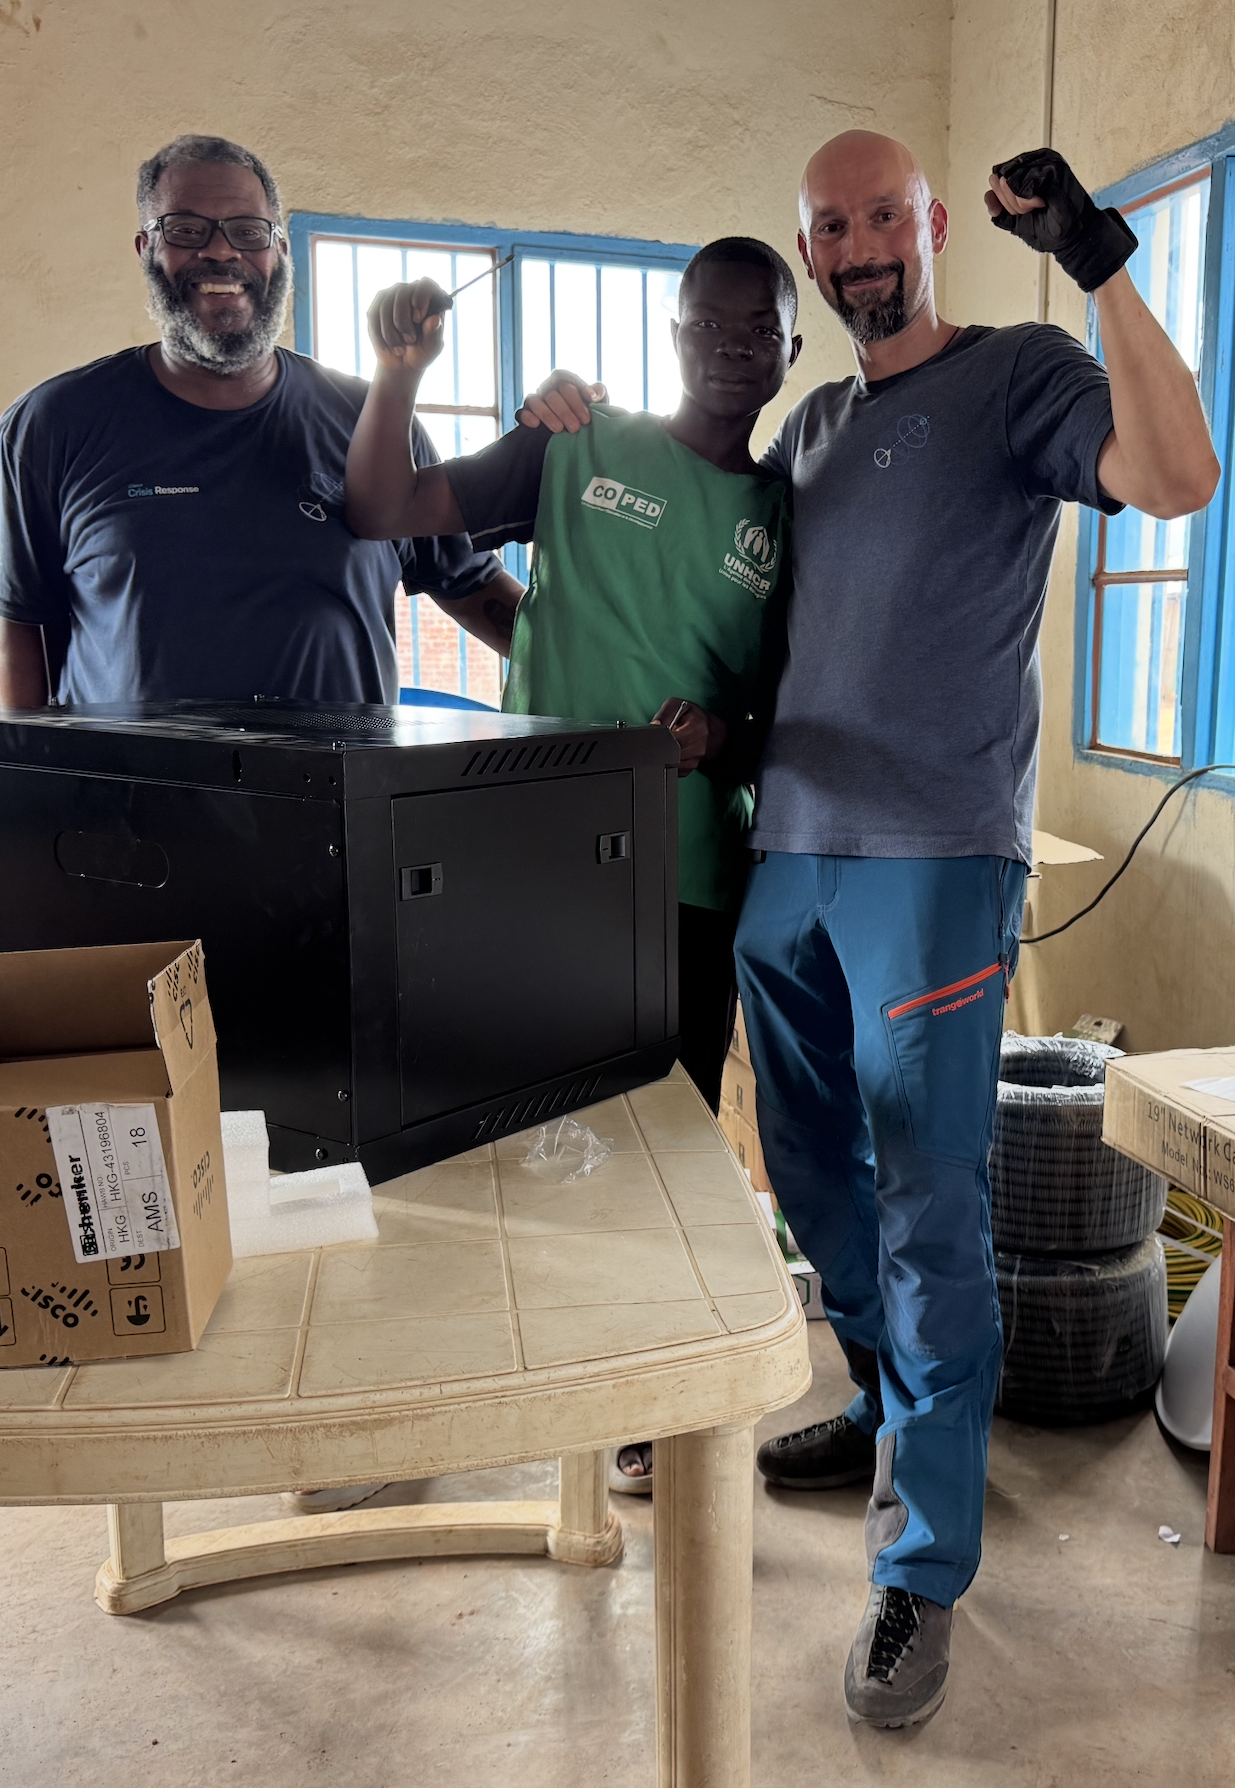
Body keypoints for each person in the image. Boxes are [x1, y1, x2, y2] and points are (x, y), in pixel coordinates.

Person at [517, 134, 1219, 1725]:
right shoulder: (818, 428)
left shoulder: (1022, 373)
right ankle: (879, 1401)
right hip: (790, 861)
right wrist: (566, 420)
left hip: (929, 867)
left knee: (925, 1203)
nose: (853, 250)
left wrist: (1103, 265)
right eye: (825, 228)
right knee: (814, 1173)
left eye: (878, 218)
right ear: (806, 251)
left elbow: (1176, 479)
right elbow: (697, 546)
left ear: (926, 229)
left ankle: (918, 1574)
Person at [342, 238, 801, 1493]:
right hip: (532, 863)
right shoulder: (573, 447)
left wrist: (721, 739)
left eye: (756, 329)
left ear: (787, 352)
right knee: (491, 1136)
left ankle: (645, 1399)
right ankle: (473, 1383)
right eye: (706, 324)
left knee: (668, 1138)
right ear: (671, 333)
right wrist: (397, 375)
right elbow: (383, 511)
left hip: (690, 876)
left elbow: (786, 710)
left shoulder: (785, 517)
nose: (729, 347)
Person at [0, 133, 520, 707]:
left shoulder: (376, 425)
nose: (221, 253)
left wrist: (612, 660)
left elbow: (474, 587)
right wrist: (34, 785)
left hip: (342, 793)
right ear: (146, 248)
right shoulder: (52, 425)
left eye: (248, 232)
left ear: (280, 252)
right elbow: (24, 628)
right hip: (137, 795)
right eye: (187, 230)